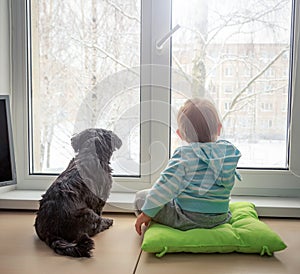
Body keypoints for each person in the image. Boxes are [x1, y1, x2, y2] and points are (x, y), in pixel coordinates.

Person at [134, 97, 242, 235]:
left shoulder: (184, 154)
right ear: (219, 128)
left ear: (180, 134)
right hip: (220, 218)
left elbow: (165, 186)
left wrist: (147, 213)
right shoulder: (228, 152)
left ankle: (152, 220)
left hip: (186, 218)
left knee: (140, 197)